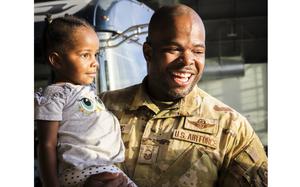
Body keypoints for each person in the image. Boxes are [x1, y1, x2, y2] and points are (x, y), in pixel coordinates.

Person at [99, 4, 268, 187]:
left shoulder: (231, 128)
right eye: (174, 49)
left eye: (198, 51)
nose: (188, 61)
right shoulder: (102, 108)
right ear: (148, 52)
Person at [34, 15, 136, 187]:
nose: (94, 63)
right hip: (82, 172)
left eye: (95, 55)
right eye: (85, 55)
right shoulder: (55, 94)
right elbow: (46, 144)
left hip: (107, 168)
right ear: (56, 60)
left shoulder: (87, 92)